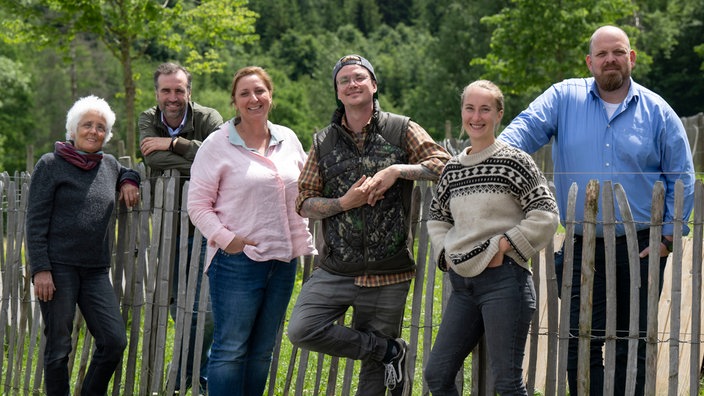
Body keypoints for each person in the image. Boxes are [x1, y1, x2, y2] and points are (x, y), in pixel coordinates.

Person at [497, 25, 695, 395]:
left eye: (618, 52)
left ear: (631, 57)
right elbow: (522, 131)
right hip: (579, 247)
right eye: (602, 54)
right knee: (578, 344)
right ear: (589, 62)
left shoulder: (658, 112)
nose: (610, 60)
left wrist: (668, 237)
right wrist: (489, 156)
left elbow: (681, 176)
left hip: (639, 247)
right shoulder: (562, 99)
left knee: (630, 344)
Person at [287, 54, 451, 395]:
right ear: (337, 92)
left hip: (388, 272)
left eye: (359, 77)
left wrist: (398, 171)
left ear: (374, 85)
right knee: (301, 329)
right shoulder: (323, 142)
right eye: (344, 80)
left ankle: (384, 355)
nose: (352, 84)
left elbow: (443, 165)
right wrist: (344, 203)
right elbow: (304, 201)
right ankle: (390, 350)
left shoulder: (400, 128)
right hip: (336, 269)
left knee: (374, 377)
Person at [424, 80, 559, 395]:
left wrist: (504, 245)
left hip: (505, 282)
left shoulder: (515, 161)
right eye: (470, 108)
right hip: (463, 287)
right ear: (462, 113)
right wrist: (445, 252)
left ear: (499, 115)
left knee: (507, 384)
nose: (476, 116)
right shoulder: (453, 170)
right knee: (436, 374)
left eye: (485, 109)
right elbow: (437, 217)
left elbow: (546, 213)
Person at [187, 66, 316, 396]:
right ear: (234, 101)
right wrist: (229, 241)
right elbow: (198, 205)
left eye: (259, 91)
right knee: (230, 352)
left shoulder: (288, 139)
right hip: (237, 263)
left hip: (282, 261)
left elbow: (308, 188)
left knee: (261, 354)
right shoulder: (217, 144)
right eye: (244, 93)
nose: (253, 98)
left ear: (270, 96)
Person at [26, 95, 140, 396]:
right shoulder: (50, 164)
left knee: (114, 340)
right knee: (59, 348)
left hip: (95, 271)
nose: (94, 131)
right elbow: (35, 220)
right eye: (87, 125)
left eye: (101, 127)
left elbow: (128, 171)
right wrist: (41, 269)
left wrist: (130, 181)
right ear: (73, 130)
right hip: (57, 269)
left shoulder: (109, 165)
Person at [139, 62, 223, 393]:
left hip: (204, 226)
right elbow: (150, 159)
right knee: (176, 304)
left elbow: (219, 156)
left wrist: (172, 145)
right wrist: (194, 155)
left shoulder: (208, 118)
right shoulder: (148, 118)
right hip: (165, 227)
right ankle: (198, 374)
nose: (172, 97)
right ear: (157, 93)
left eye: (179, 90)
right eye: (166, 90)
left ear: (189, 92)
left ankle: (184, 376)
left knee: (206, 311)